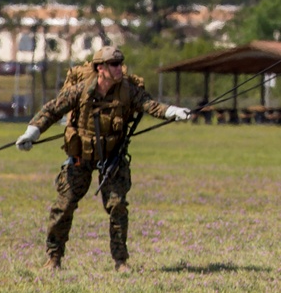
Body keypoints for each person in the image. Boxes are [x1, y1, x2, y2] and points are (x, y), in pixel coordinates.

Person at [14, 45, 192, 273]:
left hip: (112, 157)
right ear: (101, 68)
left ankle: (121, 261)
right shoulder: (80, 90)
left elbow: (151, 105)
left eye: (121, 63)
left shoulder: (127, 90)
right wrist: (32, 133)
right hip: (80, 156)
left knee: (117, 206)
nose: (120, 68)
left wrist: (173, 112)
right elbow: (52, 110)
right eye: (114, 64)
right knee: (64, 206)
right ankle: (54, 258)